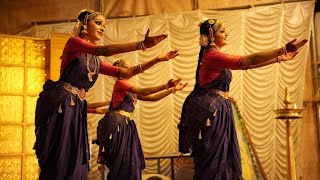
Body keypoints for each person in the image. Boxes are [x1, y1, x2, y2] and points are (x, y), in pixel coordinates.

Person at [33, 9, 173, 180]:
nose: (102, 28)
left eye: (104, 25)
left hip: (76, 107)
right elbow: (104, 50)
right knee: (60, 154)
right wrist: (141, 45)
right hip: (62, 104)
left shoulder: (95, 61)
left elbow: (125, 73)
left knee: (74, 156)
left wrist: (156, 60)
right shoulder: (73, 42)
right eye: (98, 23)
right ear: (84, 24)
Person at [178, 19, 308, 180]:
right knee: (214, 165)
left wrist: (279, 58)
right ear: (211, 36)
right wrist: (282, 49)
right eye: (222, 31)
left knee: (224, 162)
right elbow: (249, 60)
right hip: (213, 116)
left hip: (221, 113)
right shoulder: (212, 57)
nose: (227, 34)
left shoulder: (214, 56)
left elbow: (248, 65)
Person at [95, 59, 188, 180]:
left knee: (130, 161)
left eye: (130, 67)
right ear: (120, 70)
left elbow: (153, 98)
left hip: (126, 125)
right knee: (121, 161)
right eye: (127, 67)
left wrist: (172, 90)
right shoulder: (121, 83)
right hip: (118, 125)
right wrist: (166, 85)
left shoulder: (129, 89)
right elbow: (144, 91)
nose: (130, 70)